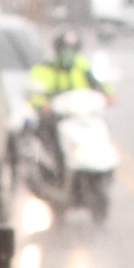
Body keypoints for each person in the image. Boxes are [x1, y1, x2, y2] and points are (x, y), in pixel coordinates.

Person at [26, 31, 110, 182]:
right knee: (44, 133)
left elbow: (100, 85)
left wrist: (108, 95)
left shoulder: (83, 67)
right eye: (64, 49)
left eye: (71, 50)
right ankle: (54, 169)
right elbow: (35, 91)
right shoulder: (45, 69)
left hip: (79, 115)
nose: (68, 54)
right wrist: (42, 104)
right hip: (57, 116)